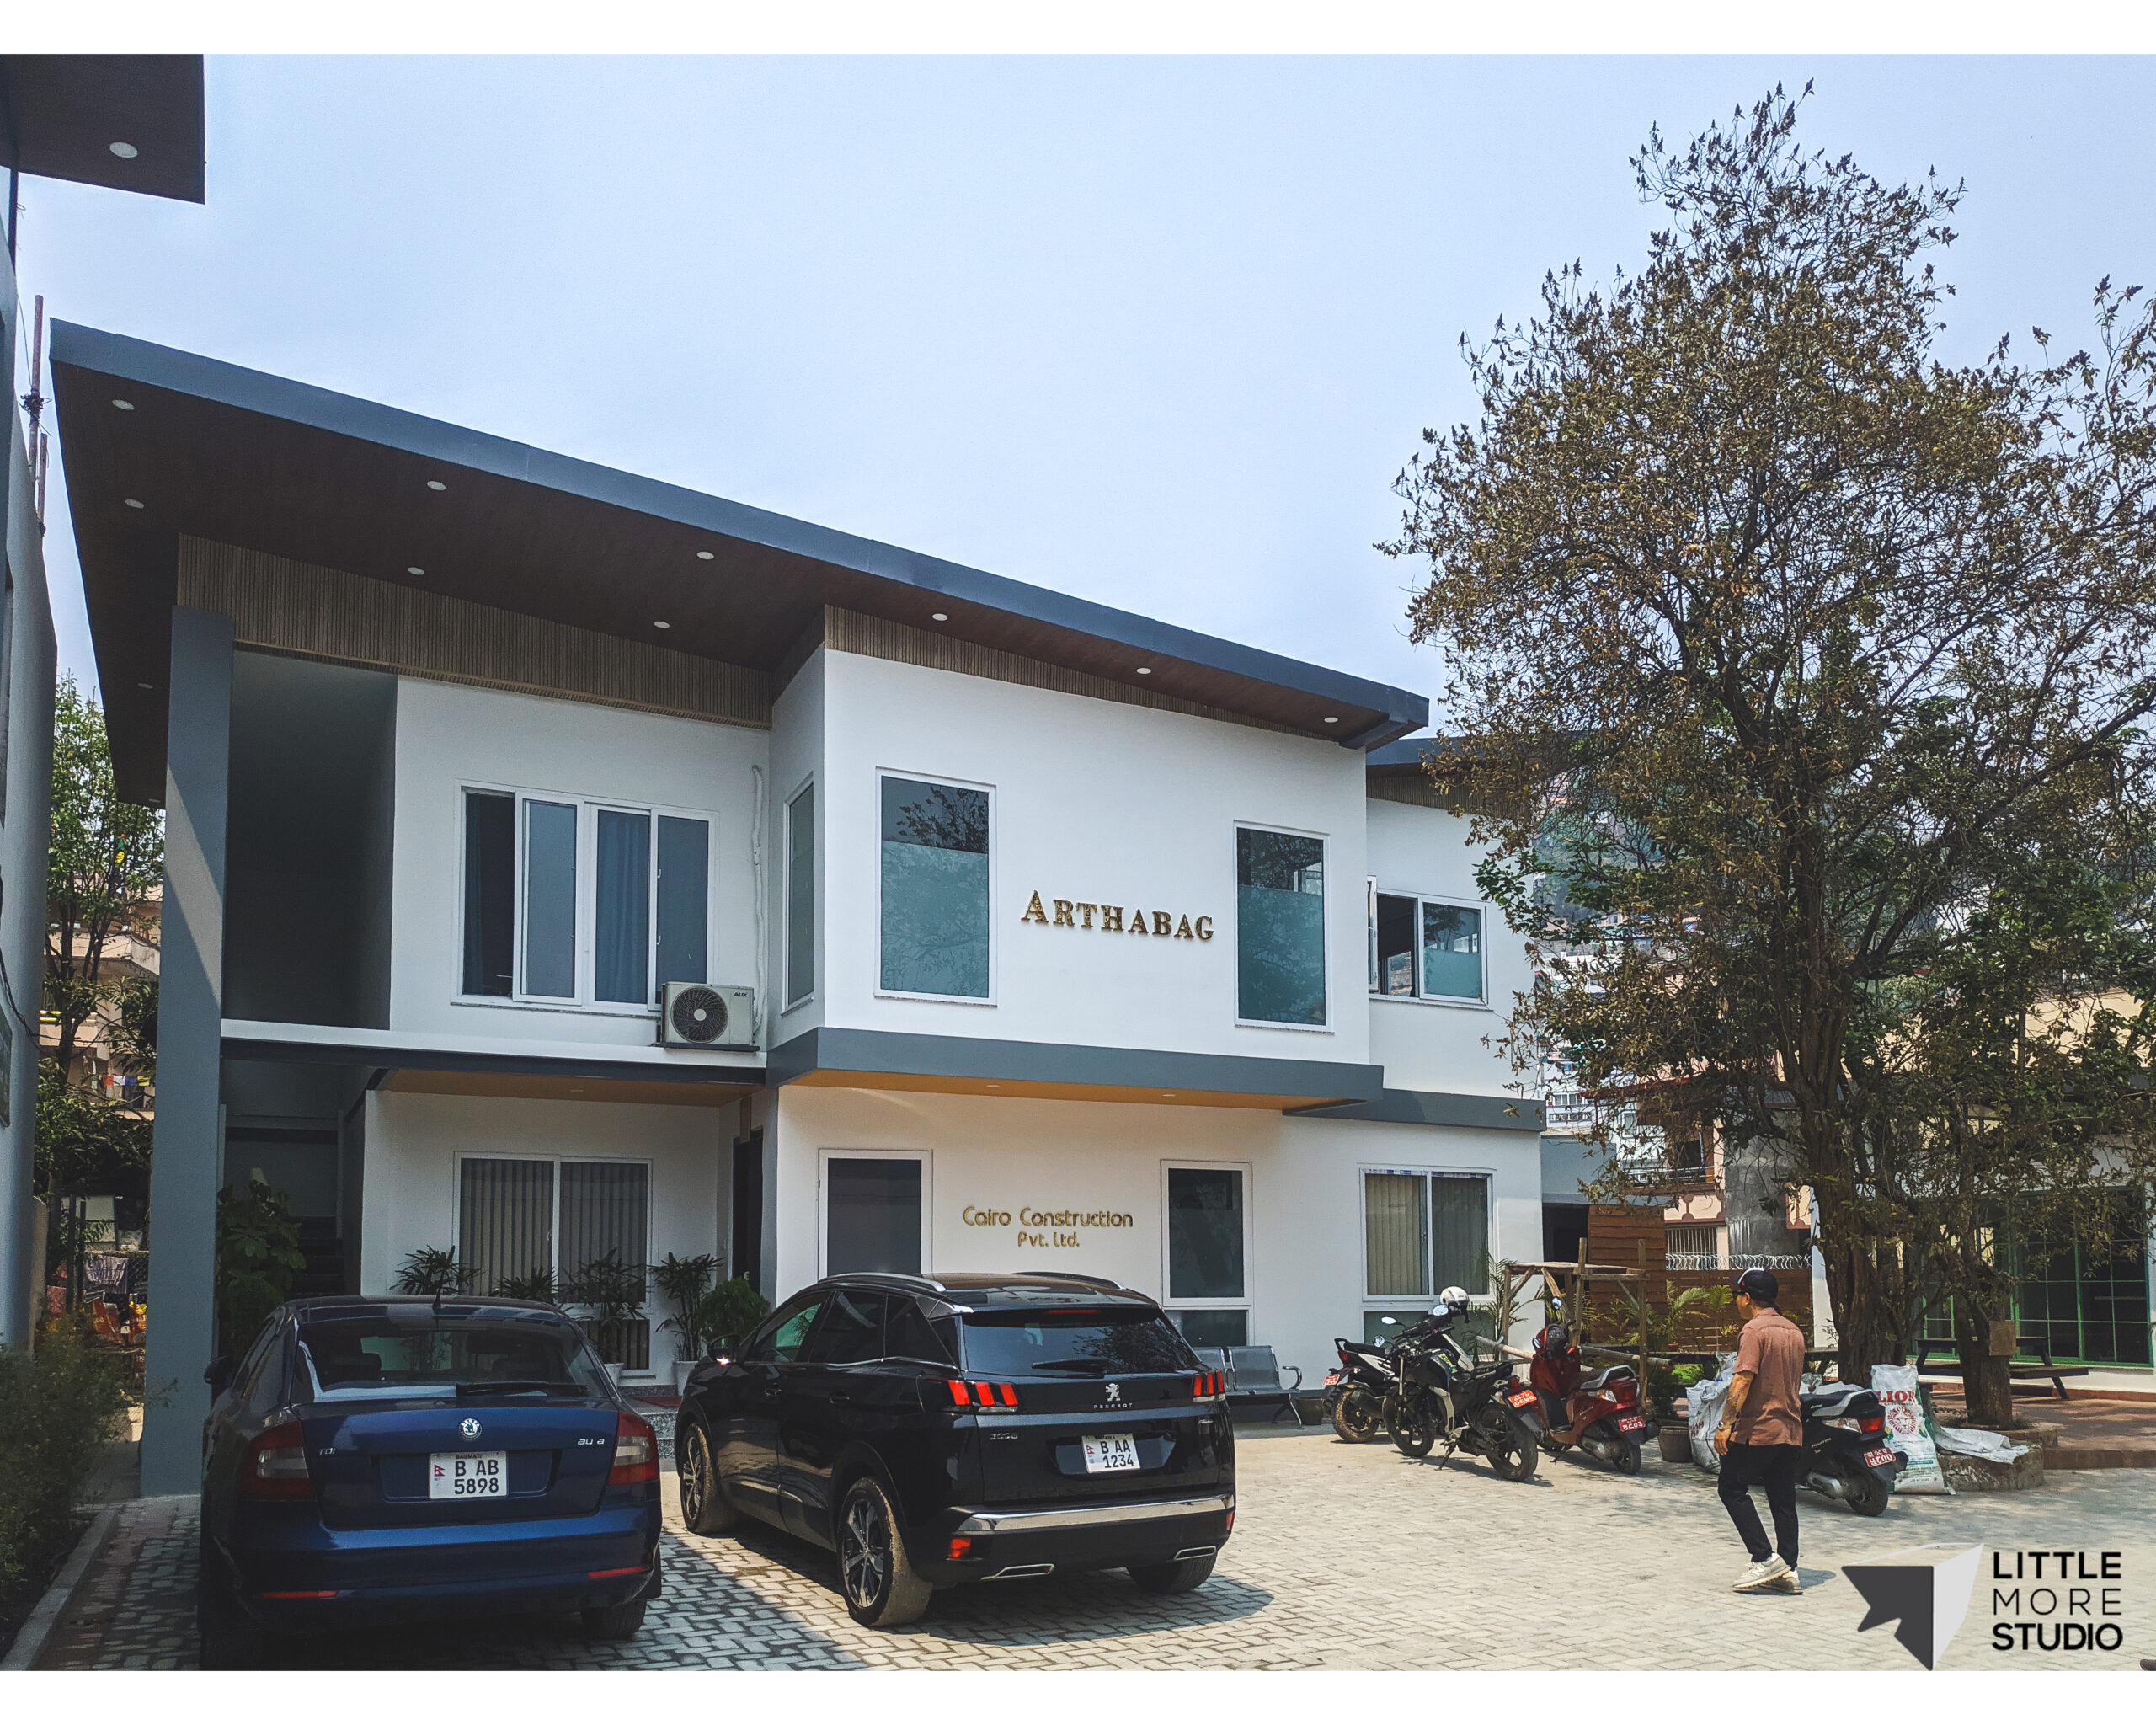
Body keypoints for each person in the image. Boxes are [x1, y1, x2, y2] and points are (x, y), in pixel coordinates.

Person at [1713, 1267, 1806, 1594]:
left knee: (1731, 1489)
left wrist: (1725, 1425)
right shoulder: (1793, 1331)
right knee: (1783, 1500)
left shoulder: (1753, 1330)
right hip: (1790, 1429)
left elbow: (1742, 1379)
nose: (1735, 1301)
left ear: (1748, 1297)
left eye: (1737, 1295)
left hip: (1759, 1429)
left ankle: (1764, 1558)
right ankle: (1789, 1569)